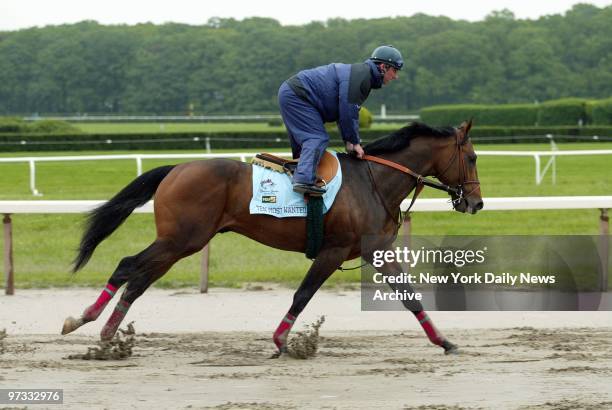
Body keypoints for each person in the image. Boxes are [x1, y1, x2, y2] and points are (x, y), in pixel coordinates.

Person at [278, 45, 403, 195]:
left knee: (306, 144)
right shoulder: (362, 77)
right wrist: (354, 142)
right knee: (317, 138)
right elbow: (348, 111)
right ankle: (303, 180)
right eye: (394, 70)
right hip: (298, 95)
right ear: (383, 67)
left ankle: (299, 172)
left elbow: (343, 112)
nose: (396, 76)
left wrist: (349, 142)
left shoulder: (362, 75)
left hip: (294, 93)